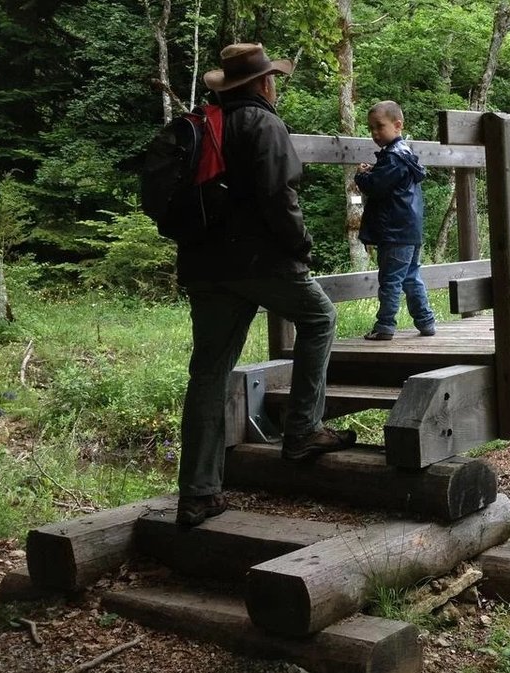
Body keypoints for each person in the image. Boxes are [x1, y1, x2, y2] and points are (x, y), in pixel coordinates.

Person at [174, 43, 356, 526]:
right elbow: (280, 195)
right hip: (258, 262)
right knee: (319, 317)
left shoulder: (206, 123)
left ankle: (197, 493)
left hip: (204, 266)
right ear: (263, 83)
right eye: (273, 78)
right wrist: (300, 248)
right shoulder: (263, 123)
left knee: (208, 374)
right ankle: (302, 432)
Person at [355, 100, 436, 341]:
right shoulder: (405, 155)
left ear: (397, 125)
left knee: (390, 279)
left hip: (394, 231)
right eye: (371, 128)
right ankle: (426, 321)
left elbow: (377, 186)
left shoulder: (393, 158)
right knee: (411, 277)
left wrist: (361, 176)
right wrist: (375, 169)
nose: (375, 133)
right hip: (410, 230)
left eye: (379, 126)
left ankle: (385, 326)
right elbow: (388, 181)